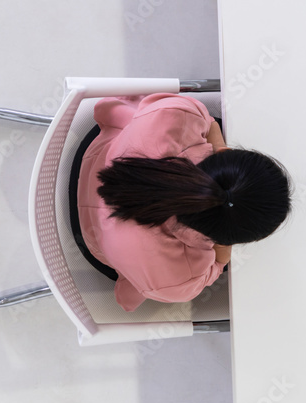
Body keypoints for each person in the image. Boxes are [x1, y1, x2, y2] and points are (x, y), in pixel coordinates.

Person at [76, 94, 291, 311]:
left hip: (91, 157)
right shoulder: (177, 280)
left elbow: (210, 123)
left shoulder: (176, 115)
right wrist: (222, 248)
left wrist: (217, 145)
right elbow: (217, 265)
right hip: (90, 238)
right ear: (226, 237)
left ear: (227, 154)